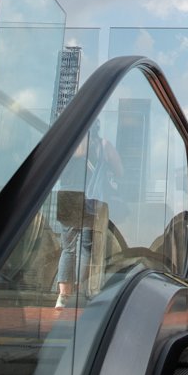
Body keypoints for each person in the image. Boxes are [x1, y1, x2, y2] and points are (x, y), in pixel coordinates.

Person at [55, 121, 123, 308]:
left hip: (67, 196)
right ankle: (79, 291)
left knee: (67, 248)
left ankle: (62, 296)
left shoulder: (66, 144)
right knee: (86, 247)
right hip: (89, 198)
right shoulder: (102, 145)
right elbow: (120, 171)